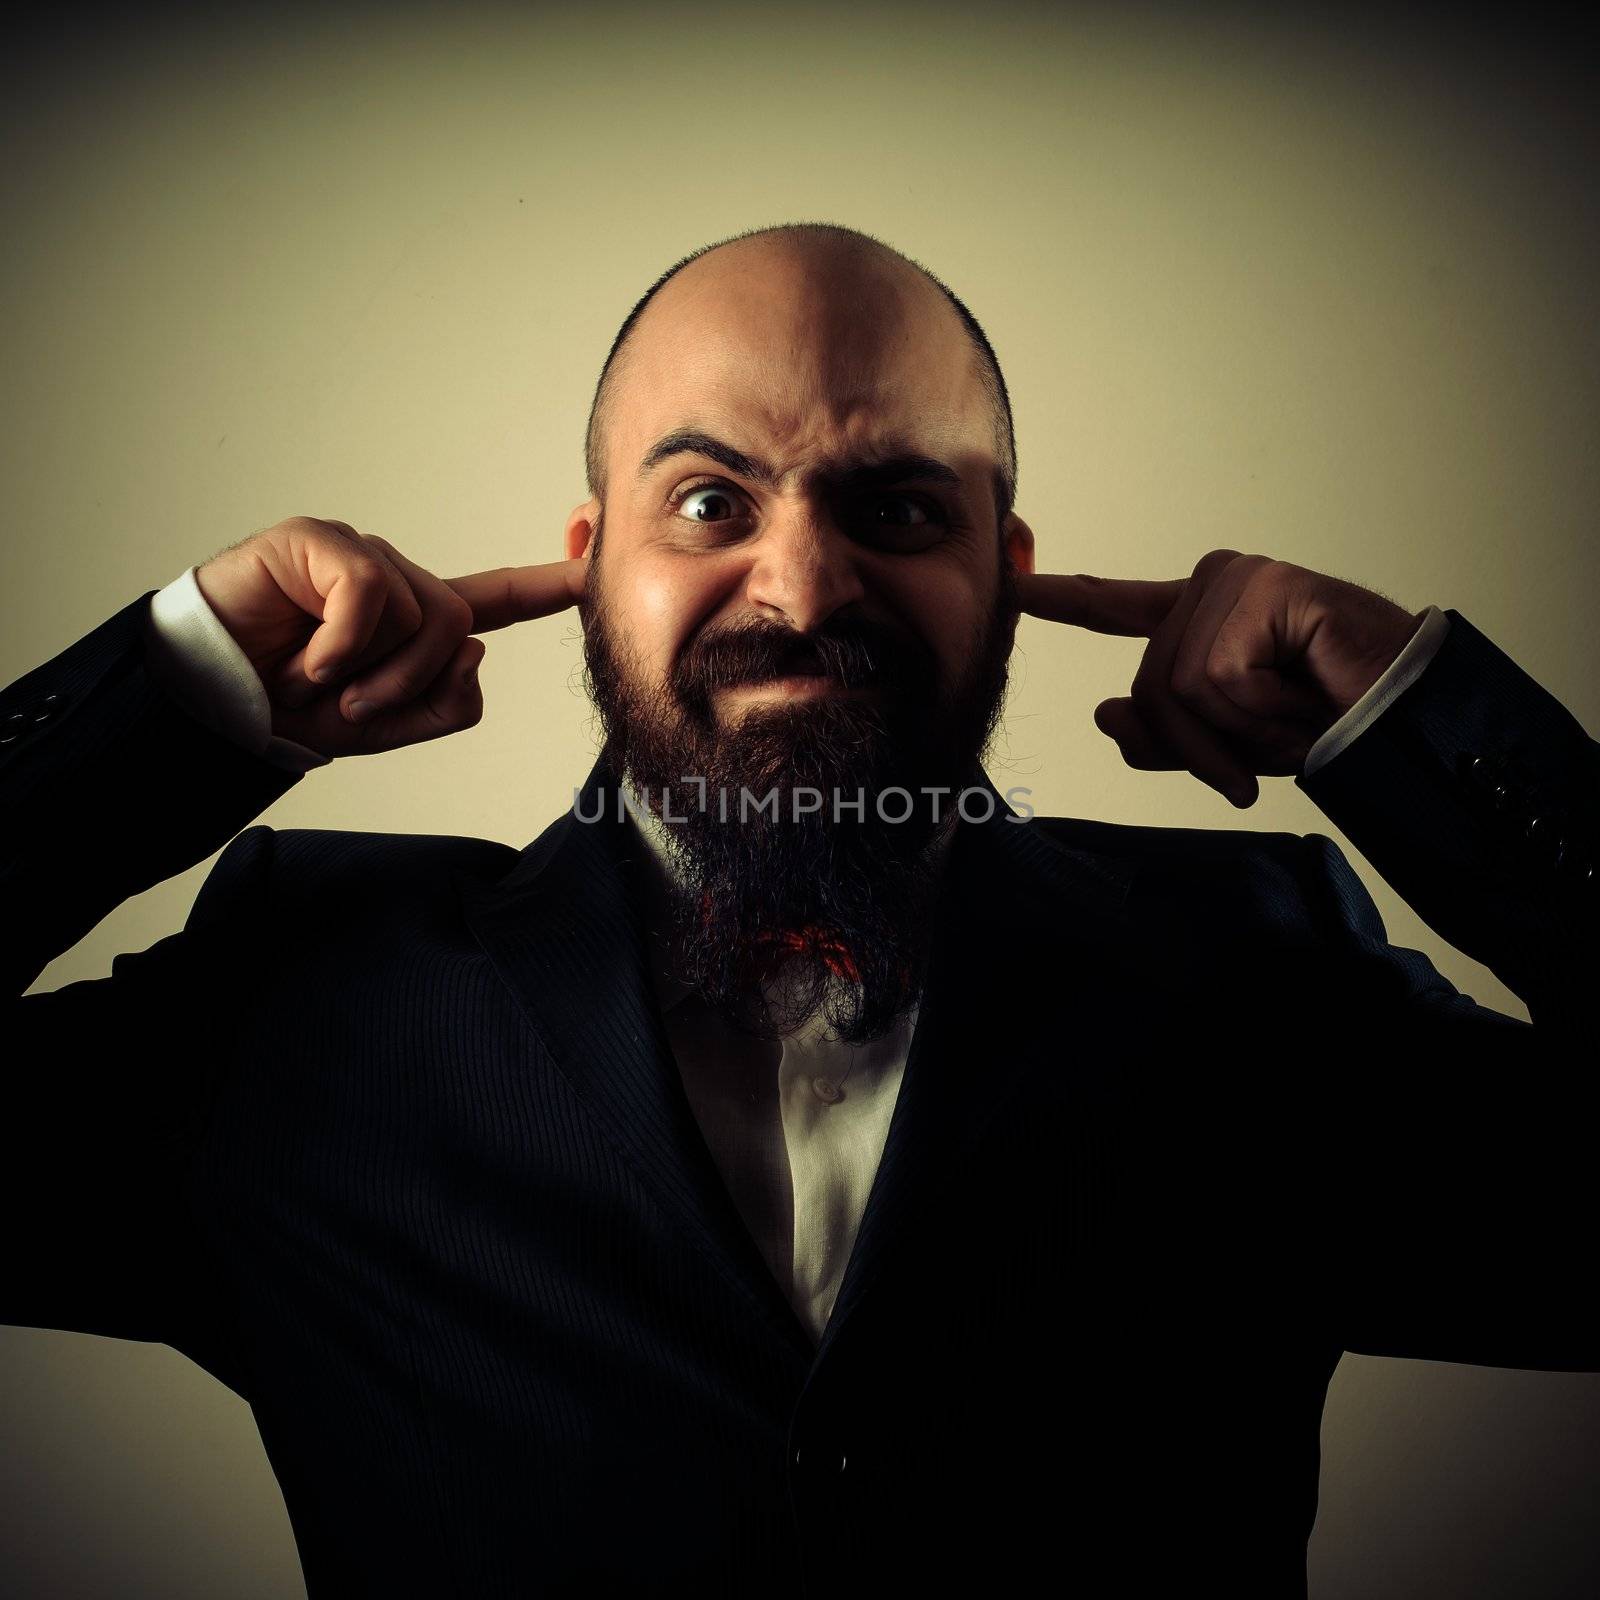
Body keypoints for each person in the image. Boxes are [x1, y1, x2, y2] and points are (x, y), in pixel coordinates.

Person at [3, 221, 1595, 1598]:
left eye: (897, 507)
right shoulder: (301, 997)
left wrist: (1415, 718)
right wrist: (164, 707)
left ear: (1007, 565)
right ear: (589, 560)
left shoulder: (1253, 972)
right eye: (708, 503)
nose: (805, 588)